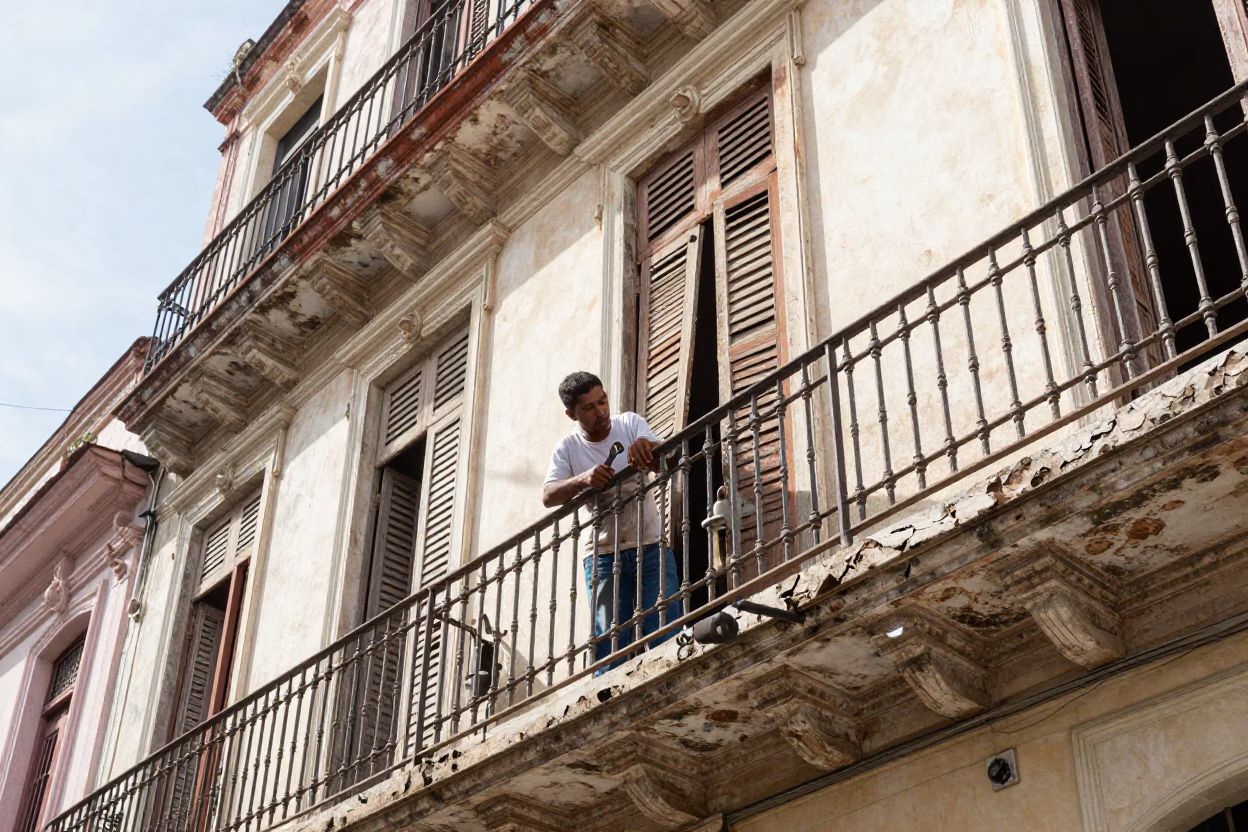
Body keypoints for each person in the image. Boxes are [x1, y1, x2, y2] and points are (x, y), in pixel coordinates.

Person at [542, 371, 684, 672]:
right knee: (609, 640)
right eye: (589, 408)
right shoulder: (567, 448)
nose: (600, 412)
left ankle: (672, 676)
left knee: (665, 626)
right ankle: (608, 696)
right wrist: (583, 479)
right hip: (603, 554)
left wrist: (648, 449)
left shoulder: (629, 424)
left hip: (649, 543)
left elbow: (668, 459)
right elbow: (548, 495)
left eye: (602, 401)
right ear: (572, 413)